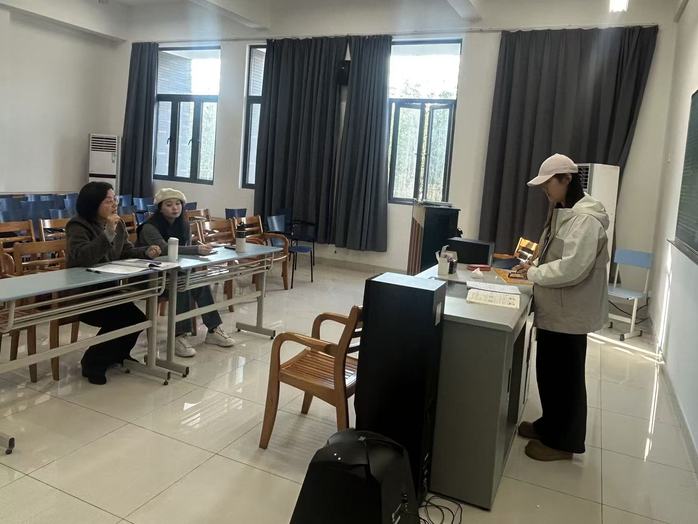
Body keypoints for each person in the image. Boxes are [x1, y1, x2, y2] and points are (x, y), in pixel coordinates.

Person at [514, 153, 609, 461]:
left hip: (570, 314)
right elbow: (554, 253)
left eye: (549, 185)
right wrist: (534, 264)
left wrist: (533, 273)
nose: (546, 191)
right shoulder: (565, 211)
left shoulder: (586, 219)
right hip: (557, 310)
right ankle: (549, 425)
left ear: (567, 179)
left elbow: (572, 268)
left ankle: (563, 443)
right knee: (549, 373)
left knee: (566, 379)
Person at [66, 182, 161, 385]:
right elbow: (83, 257)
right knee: (122, 320)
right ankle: (92, 362)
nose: (115, 204)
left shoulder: (118, 224)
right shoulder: (78, 225)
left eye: (115, 199)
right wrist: (107, 234)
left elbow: (125, 251)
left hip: (109, 289)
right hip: (84, 293)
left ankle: (118, 355)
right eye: (108, 201)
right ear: (93, 204)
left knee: (137, 319)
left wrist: (145, 252)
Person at [137, 188, 235, 357]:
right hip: (150, 275)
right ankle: (178, 336)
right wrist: (196, 249)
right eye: (169, 205)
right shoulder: (149, 227)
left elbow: (184, 252)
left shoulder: (183, 224)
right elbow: (164, 249)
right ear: (160, 208)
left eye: (178, 204)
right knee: (182, 284)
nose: (175, 208)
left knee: (198, 281)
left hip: (174, 272)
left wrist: (197, 251)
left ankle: (213, 329)